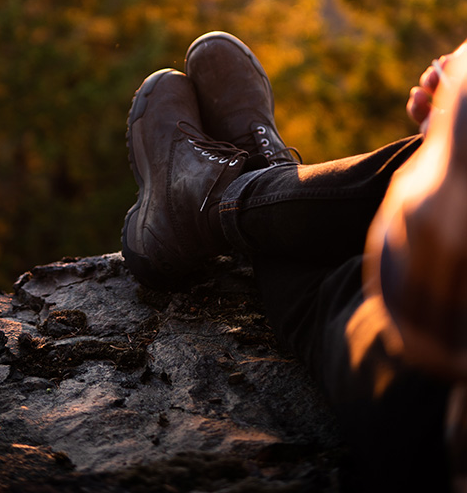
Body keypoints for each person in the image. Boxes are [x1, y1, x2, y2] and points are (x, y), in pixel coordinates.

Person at [122, 31, 467, 491]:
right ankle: (258, 183)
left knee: (341, 283)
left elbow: (422, 290)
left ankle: (217, 201)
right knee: (428, 163)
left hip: (435, 434)